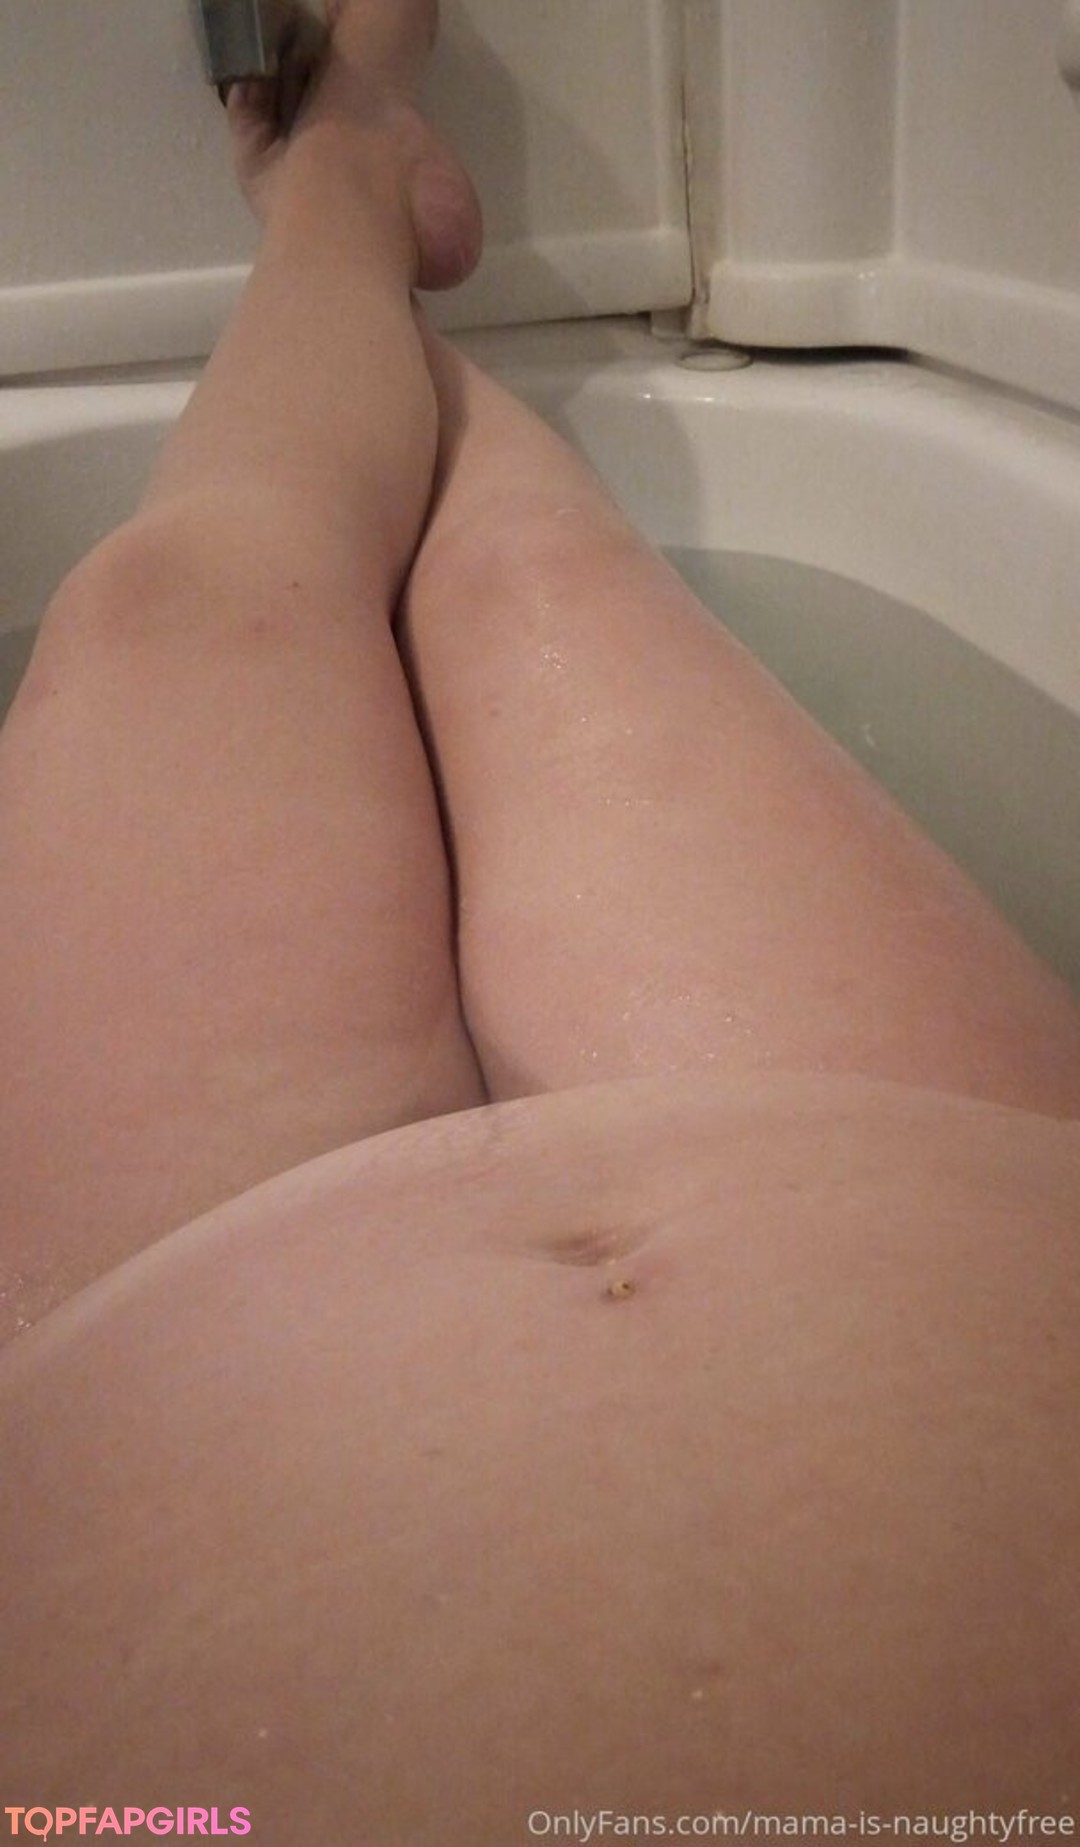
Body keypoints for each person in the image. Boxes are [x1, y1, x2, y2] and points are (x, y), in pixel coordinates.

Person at [1, 2, 1078, 1834]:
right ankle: (350, 178)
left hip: (105, 1363)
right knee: (534, 584)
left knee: (183, 606)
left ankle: (338, 183)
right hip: (959, 1202)